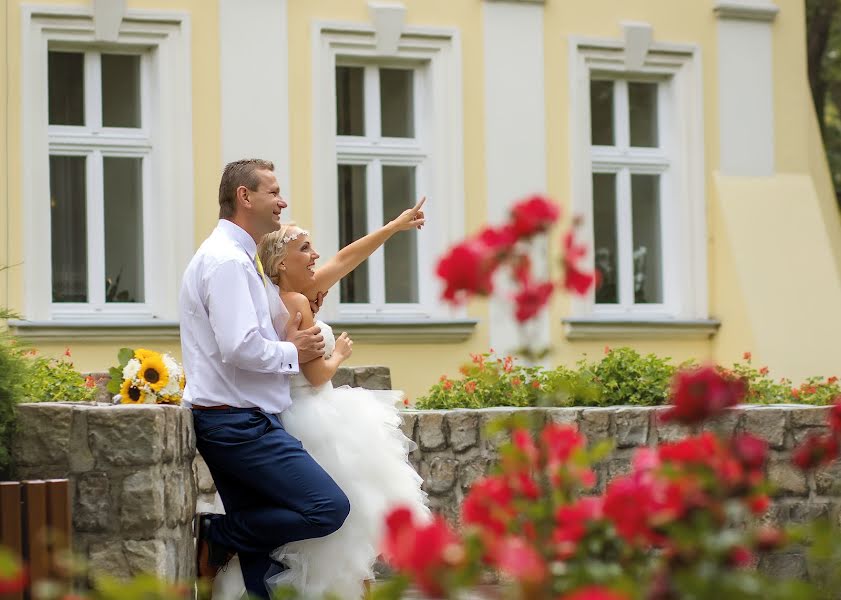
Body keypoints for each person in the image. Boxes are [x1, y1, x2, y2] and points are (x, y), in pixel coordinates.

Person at [211, 200, 431, 599]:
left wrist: (393, 226)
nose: (315, 257)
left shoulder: (281, 296)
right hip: (313, 417)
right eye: (305, 250)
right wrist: (340, 355)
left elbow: (347, 257)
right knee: (342, 521)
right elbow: (315, 376)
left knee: (330, 527)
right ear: (280, 263)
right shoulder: (295, 303)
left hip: (297, 413)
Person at [179, 158, 350, 600]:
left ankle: (232, 539)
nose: (282, 200)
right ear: (244, 196)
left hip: (240, 418)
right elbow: (240, 346)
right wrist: (296, 352)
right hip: (238, 424)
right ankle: (219, 534)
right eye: (273, 192)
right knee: (327, 508)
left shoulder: (239, 257)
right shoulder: (227, 262)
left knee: (261, 573)